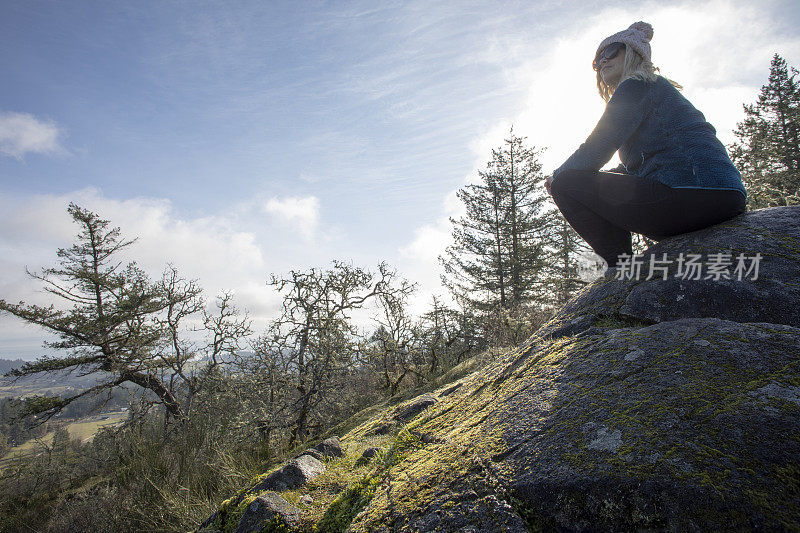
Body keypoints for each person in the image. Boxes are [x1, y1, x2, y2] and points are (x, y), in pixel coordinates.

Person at [545, 21, 747, 274]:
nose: (602, 62)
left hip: (693, 193)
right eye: (597, 60)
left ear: (632, 52)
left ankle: (621, 269)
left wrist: (557, 176)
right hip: (721, 197)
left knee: (567, 183)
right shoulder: (652, 89)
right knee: (588, 180)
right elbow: (641, 165)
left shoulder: (637, 85)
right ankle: (622, 270)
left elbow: (597, 147)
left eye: (611, 51)